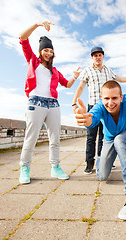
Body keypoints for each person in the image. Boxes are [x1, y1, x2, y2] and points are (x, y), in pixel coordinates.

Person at [74, 80, 126, 220]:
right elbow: (91, 119)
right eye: (106, 98)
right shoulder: (100, 106)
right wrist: (85, 119)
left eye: (114, 98)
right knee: (102, 176)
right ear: (101, 98)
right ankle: (103, 159)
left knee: (119, 140)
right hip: (108, 139)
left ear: (120, 97)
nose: (110, 102)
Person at [18, 21, 80, 184]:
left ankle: (55, 167)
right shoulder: (33, 60)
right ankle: (24, 168)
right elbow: (23, 38)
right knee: (30, 138)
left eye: (51, 51)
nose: (49, 53)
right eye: (46, 50)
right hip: (35, 103)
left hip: (53, 105)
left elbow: (67, 84)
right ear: (40, 51)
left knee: (55, 139)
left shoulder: (55, 71)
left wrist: (74, 76)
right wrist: (37, 24)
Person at [72, 46, 126, 175]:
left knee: (104, 136)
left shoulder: (108, 71)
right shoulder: (88, 71)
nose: (97, 57)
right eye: (95, 55)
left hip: (108, 108)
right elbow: (80, 87)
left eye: (99, 55)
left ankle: (104, 160)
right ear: (92, 57)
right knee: (91, 137)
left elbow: (120, 79)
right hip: (94, 107)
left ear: (103, 56)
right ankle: (89, 163)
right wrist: (74, 102)